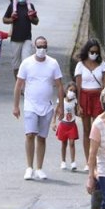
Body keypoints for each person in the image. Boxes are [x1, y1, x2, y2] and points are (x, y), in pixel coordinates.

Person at [12, 36, 64, 180]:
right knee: (30, 134)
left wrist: (61, 107)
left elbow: (60, 86)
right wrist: (16, 106)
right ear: (35, 47)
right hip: (30, 105)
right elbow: (18, 85)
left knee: (42, 137)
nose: (41, 49)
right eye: (39, 46)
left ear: (47, 47)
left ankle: (39, 168)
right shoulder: (26, 63)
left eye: (44, 46)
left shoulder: (53, 63)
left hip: (47, 106)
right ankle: (29, 167)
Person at [74, 39, 105, 171]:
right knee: (87, 130)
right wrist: (78, 105)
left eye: (96, 52)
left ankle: (98, 159)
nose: (94, 54)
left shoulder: (102, 64)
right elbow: (78, 86)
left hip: (98, 98)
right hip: (84, 97)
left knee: (98, 129)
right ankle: (89, 161)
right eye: (92, 51)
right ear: (87, 51)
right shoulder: (80, 65)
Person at [3, 0, 39, 79]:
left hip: (27, 38)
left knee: (26, 62)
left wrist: (32, 18)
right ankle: (18, 85)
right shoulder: (13, 6)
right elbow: (4, 19)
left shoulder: (30, 6)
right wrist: (12, 19)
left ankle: (25, 85)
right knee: (16, 64)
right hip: (15, 39)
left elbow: (36, 21)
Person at [54, 81, 79, 171]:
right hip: (63, 124)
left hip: (72, 125)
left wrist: (79, 112)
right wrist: (54, 122)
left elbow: (77, 112)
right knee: (64, 143)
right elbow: (56, 111)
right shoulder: (61, 100)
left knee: (72, 143)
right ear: (66, 90)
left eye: (74, 91)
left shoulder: (75, 101)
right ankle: (63, 161)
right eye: (70, 90)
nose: (72, 92)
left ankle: (73, 162)